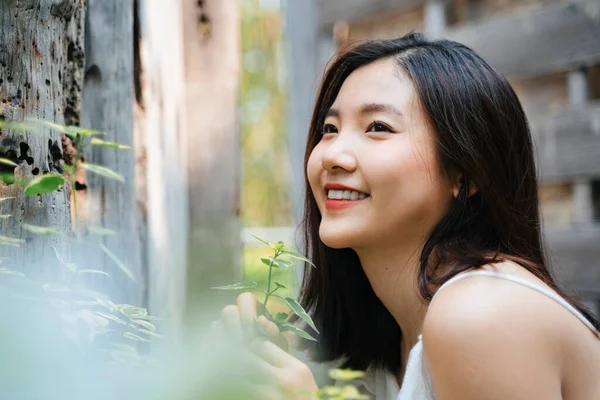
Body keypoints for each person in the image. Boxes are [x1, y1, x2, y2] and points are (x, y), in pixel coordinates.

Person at [214, 32, 600, 399]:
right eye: (329, 129)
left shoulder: (482, 315)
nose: (330, 155)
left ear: (464, 175)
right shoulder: (383, 332)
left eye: (378, 127)